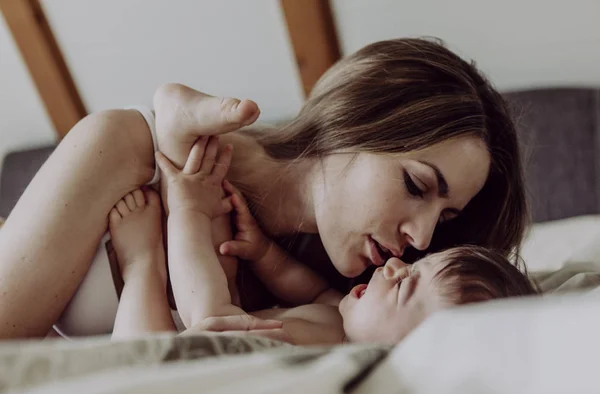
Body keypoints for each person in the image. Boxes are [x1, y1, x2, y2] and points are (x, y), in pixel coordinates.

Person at [0, 38, 527, 339]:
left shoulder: (342, 305)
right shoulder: (118, 147)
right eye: (415, 184)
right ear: (353, 123)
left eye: (446, 219)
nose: (421, 237)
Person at [110, 141, 536, 344]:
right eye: (411, 267)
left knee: (153, 338)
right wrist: (262, 252)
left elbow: (208, 315)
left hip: (172, 344)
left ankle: (140, 264)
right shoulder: (349, 317)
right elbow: (304, 287)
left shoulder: (319, 349)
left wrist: (189, 212)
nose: (394, 265)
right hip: (216, 319)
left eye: (406, 284)